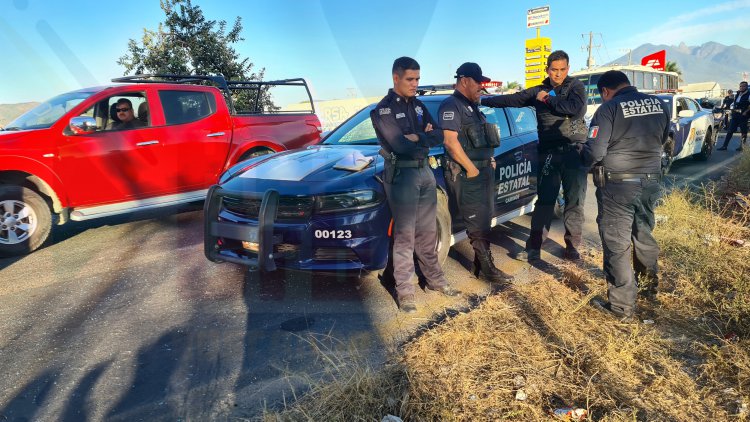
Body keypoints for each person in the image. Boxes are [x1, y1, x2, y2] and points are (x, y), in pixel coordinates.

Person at [370, 56, 459, 313]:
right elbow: (399, 145)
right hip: (402, 176)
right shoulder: (384, 110)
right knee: (405, 236)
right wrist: (422, 137)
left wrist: (417, 136)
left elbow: (439, 134)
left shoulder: (419, 106)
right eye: (410, 79)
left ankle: (435, 281)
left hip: (424, 172)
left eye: (418, 79)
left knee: (429, 232)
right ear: (395, 78)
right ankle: (405, 292)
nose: (415, 83)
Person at [481, 50, 588, 262]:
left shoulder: (575, 87)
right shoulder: (539, 90)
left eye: (562, 70)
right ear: (547, 70)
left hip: (573, 151)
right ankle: (533, 248)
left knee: (574, 202)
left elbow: (576, 110)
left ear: (568, 69)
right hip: (548, 153)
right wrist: (484, 100)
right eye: (554, 70)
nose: (558, 74)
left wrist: (547, 99)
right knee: (545, 203)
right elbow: (512, 99)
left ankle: (572, 246)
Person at [581, 70, 670, 322]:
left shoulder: (608, 109)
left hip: (618, 186)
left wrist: (582, 155)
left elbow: (595, 152)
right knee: (643, 233)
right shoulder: (659, 103)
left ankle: (621, 308)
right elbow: (663, 138)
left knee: (617, 243)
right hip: (650, 181)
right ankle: (648, 288)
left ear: (605, 91)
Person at [438, 62, 513, 283]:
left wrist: (488, 158)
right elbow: (451, 143)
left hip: (482, 171)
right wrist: (471, 168)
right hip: (466, 173)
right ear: (464, 81)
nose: (481, 86)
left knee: (484, 218)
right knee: (476, 221)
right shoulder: (451, 105)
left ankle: (480, 266)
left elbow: (478, 140)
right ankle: (487, 268)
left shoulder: (473, 106)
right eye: (478, 82)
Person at [717, 81, 749, 151]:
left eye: (743, 86)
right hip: (735, 114)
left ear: (746, 87)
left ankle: (742, 146)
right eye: (740, 86)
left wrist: (746, 112)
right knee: (730, 130)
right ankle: (724, 146)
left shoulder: (748, 95)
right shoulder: (737, 94)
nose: (741, 87)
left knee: (743, 131)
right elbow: (734, 103)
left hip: (743, 115)